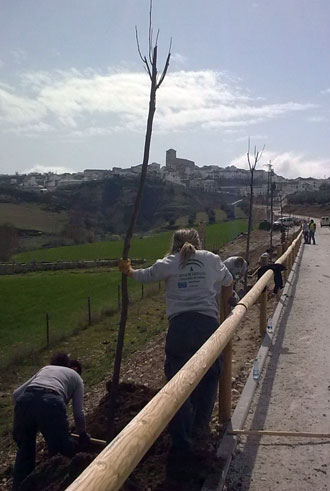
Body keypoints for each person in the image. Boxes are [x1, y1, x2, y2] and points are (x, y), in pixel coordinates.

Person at [119, 229, 233, 459]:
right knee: (210, 376)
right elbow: (228, 279)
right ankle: (201, 430)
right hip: (207, 326)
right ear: (198, 242)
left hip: (179, 329)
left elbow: (145, 275)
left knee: (178, 384)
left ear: (174, 245)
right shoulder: (211, 259)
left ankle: (182, 441)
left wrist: (128, 270)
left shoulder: (168, 263)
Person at [12, 353, 90, 490]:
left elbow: (16, 394)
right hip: (51, 401)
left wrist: (30, 415)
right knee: (63, 451)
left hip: (24, 401)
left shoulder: (47, 369)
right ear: (77, 370)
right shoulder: (77, 378)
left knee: (25, 452)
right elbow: (78, 413)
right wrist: (82, 434)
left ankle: (19, 487)